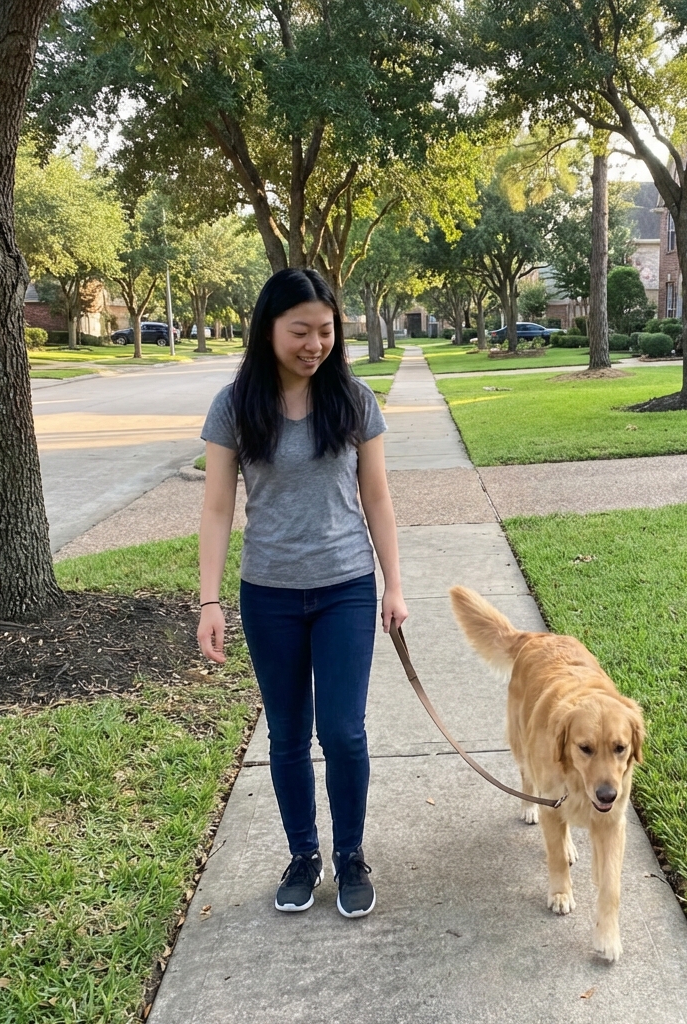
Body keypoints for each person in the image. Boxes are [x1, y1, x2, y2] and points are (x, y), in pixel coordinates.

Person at [196, 268, 407, 918]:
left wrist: (394, 585)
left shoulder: (354, 400)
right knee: (287, 735)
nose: (315, 343)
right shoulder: (235, 405)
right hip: (270, 595)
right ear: (269, 329)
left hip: (345, 587)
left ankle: (350, 857)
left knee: (343, 732)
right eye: (300, 331)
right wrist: (209, 601)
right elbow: (215, 508)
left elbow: (376, 496)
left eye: (325, 330)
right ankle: (303, 856)